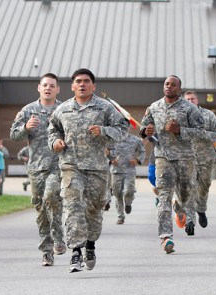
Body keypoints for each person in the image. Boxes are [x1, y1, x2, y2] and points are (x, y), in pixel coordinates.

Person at [48, 68, 129, 272]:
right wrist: (55, 142)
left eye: (86, 81)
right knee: (73, 205)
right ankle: (76, 251)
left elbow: (123, 130)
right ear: (72, 86)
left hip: (97, 168)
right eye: (78, 81)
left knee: (94, 210)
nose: (82, 84)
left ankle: (90, 245)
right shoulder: (63, 109)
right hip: (70, 165)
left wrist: (103, 130)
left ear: (93, 86)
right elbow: (53, 130)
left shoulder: (105, 108)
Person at [139, 75, 204, 254]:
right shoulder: (154, 107)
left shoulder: (190, 109)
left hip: (185, 158)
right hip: (163, 158)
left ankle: (180, 208)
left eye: (173, 85)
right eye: (167, 84)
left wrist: (180, 130)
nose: (169, 87)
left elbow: (200, 133)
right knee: (164, 196)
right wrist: (146, 131)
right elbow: (144, 131)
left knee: (185, 195)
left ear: (179, 89)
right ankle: (166, 237)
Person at [11, 73, 66, 266]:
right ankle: (46, 251)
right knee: (41, 209)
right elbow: (14, 136)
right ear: (39, 88)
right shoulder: (28, 110)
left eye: (52, 85)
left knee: (52, 197)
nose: (48, 88)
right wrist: (26, 127)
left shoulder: (64, 109)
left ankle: (59, 236)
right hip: (36, 167)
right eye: (45, 85)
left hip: (58, 164)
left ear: (58, 89)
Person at [182, 91, 216, 231]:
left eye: (192, 99)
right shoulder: (179, 116)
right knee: (189, 188)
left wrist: (202, 134)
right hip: (187, 158)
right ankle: (190, 222)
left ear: (197, 100)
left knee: (204, 186)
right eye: (187, 99)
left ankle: (201, 209)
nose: (190, 101)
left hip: (206, 157)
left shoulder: (208, 115)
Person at [109, 131, 146, 224]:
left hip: (129, 170)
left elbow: (142, 151)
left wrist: (137, 160)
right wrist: (110, 160)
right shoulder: (112, 139)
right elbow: (105, 151)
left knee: (128, 191)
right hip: (116, 171)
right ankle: (120, 216)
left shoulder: (135, 140)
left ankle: (128, 203)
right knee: (117, 194)